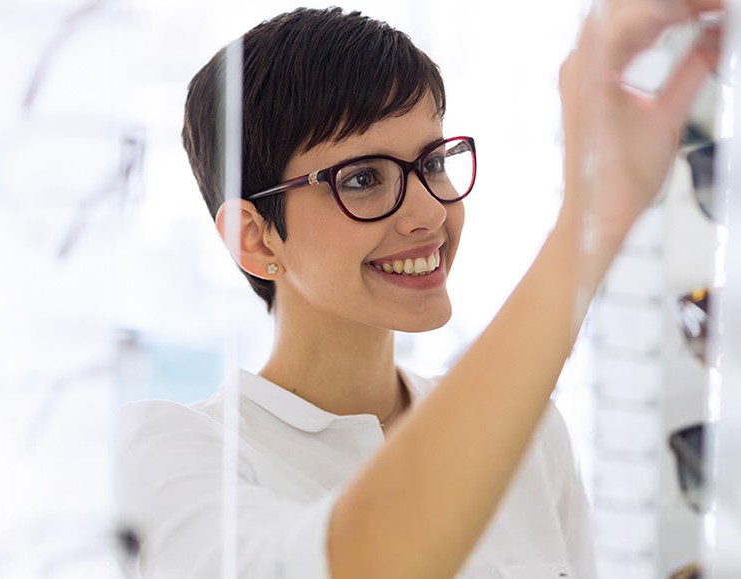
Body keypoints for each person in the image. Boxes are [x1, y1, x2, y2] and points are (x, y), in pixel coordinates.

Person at [115, 3, 722, 578]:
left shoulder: (533, 435)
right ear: (255, 238)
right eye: (362, 179)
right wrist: (590, 223)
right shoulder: (172, 452)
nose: (428, 212)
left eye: (432, 162)